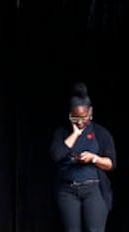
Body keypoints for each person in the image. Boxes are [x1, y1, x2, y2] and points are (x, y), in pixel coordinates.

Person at [51, 82, 117, 232]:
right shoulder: (61, 133)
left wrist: (93, 158)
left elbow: (111, 164)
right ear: (70, 114)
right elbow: (56, 155)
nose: (80, 122)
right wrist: (75, 134)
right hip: (67, 190)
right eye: (75, 118)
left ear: (90, 112)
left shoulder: (101, 133)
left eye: (84, 117)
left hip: (93, 189)